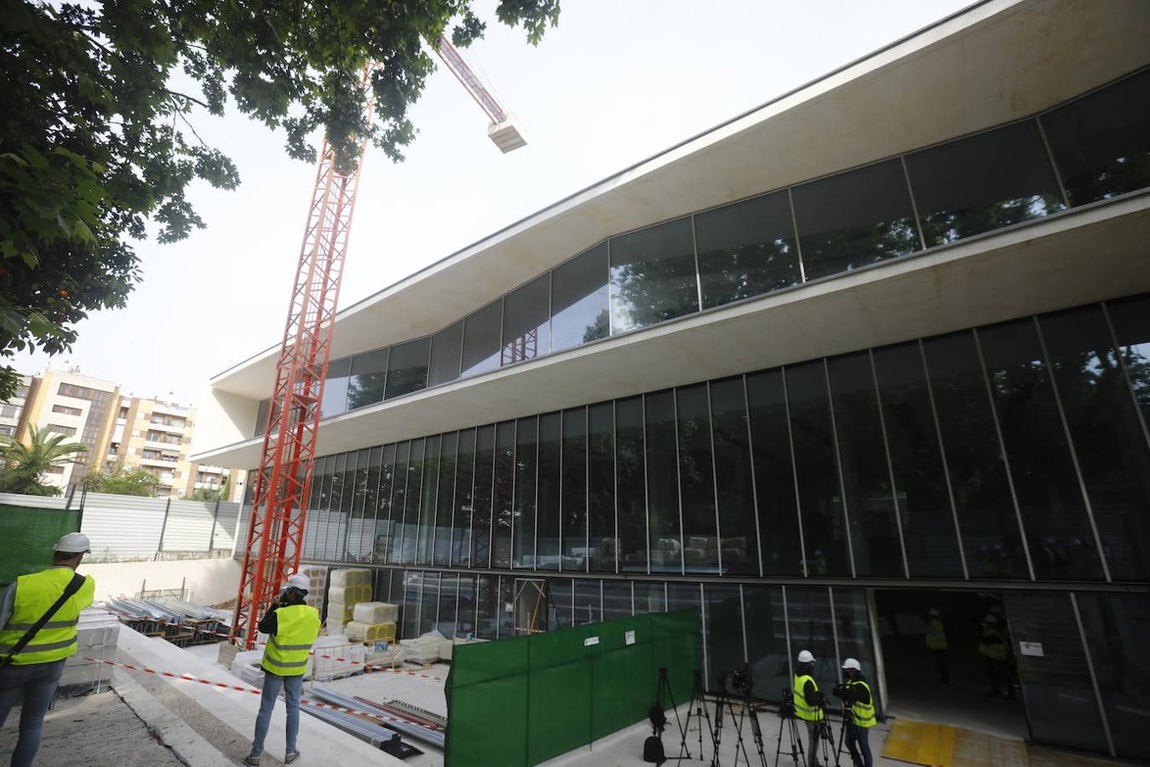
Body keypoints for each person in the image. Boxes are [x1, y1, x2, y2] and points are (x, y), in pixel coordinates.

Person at [0, 532, 95, 767]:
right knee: (32, 722)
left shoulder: (23, 584)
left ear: (55, 553)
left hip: (13, 664)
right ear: (80, 558)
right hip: (52, 666)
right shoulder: (85, 586)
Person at [244, 573, 321, 766]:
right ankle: (290, 752)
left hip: (276, 668)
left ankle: (255, 755)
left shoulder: (280, 614)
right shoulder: (314, 615)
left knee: (266, 710)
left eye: (287, 592)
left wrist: (275, 605)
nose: (285, 594)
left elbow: (262, 627)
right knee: (293, 709)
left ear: (293, 593)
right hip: (297, 669)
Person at [837, 658, 875, 767]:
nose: (845, 673)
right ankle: (858, 763)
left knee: (864, 747)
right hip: (853, 720)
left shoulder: (861, 686)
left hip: (862, 723)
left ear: (854, 671)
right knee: (848, 742)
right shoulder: (851, 683)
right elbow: (847, 696)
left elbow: (852, 696)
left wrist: (844, 694)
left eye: (847, 670)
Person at [792, 649, 825, 767]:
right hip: (812, 716)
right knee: (814, 742)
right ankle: (812, 764)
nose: (813, 667)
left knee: (812, 740)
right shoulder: (807, 681)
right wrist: (820, 699)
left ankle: (813, 762)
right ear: (807, 665)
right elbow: (811, 702)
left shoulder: (798, 675)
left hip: (805, 715)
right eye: (811, 664)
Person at [977, 613, 1009, 698]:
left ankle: (999, 691)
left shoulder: (993, 633)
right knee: (994, 674)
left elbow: (985, 641)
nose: (984, 624)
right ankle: (998, 691)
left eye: (986, 623)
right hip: (994, 656)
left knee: (996, 675)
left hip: (997, 657)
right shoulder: (992, 632)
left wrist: (980, 634)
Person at [923, 607, 949, 685]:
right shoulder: (937, 623)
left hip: (937, 647)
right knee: (941, 664)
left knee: (941, 664)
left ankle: (944, 680)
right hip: (939, 646)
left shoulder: (933, 623)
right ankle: (944, 679)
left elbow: (931, 632)